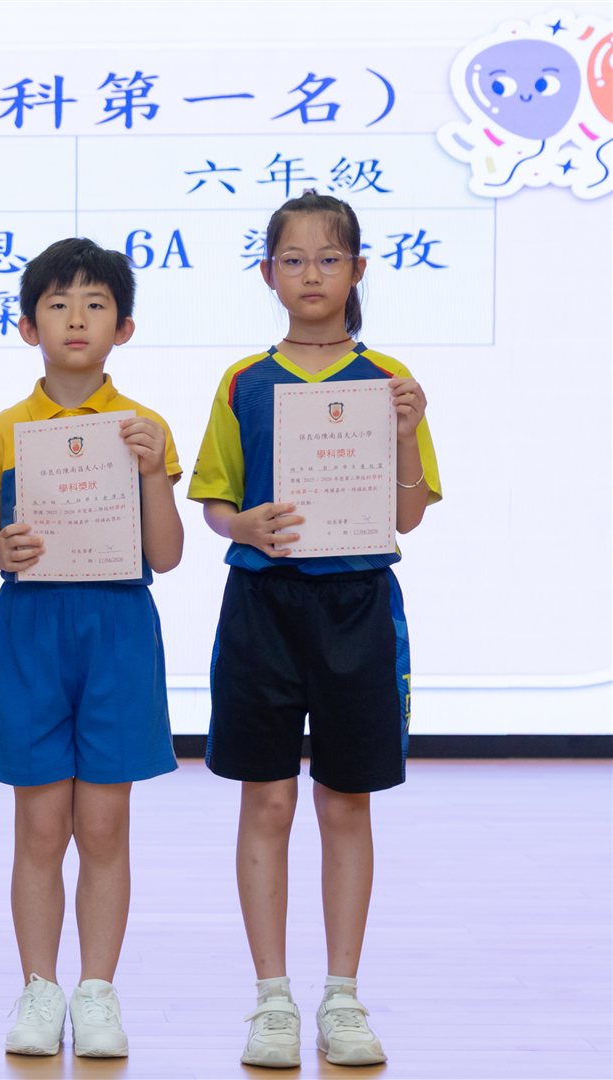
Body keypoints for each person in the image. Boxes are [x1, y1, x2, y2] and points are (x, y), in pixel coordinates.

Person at [188, 191, 440, 1068]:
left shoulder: (390, 382)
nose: (311, 275)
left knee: (345, 799)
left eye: (329, 259)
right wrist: (242, 525)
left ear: (358, 270)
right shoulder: (243, 382)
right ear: (268, 274)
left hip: (358, 606)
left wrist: (407, 433)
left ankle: (342, 995)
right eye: (293, 260)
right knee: (266, 798)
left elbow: (408, 514)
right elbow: (216, 502)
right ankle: (271, 999)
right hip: (263, 604)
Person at [0, 238, 183, 1058]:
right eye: (57, 305)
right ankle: (38, 989)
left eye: (96, 304)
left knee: (104, 824)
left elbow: (166, 555)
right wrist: (1, 550)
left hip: (118, 629)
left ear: (123, 327)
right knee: (38, 826)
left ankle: (97, 992)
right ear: (29, 327)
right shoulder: (4, 431)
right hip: (31, 630)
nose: (76, 319)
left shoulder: (144, 428)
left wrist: (153, 472)